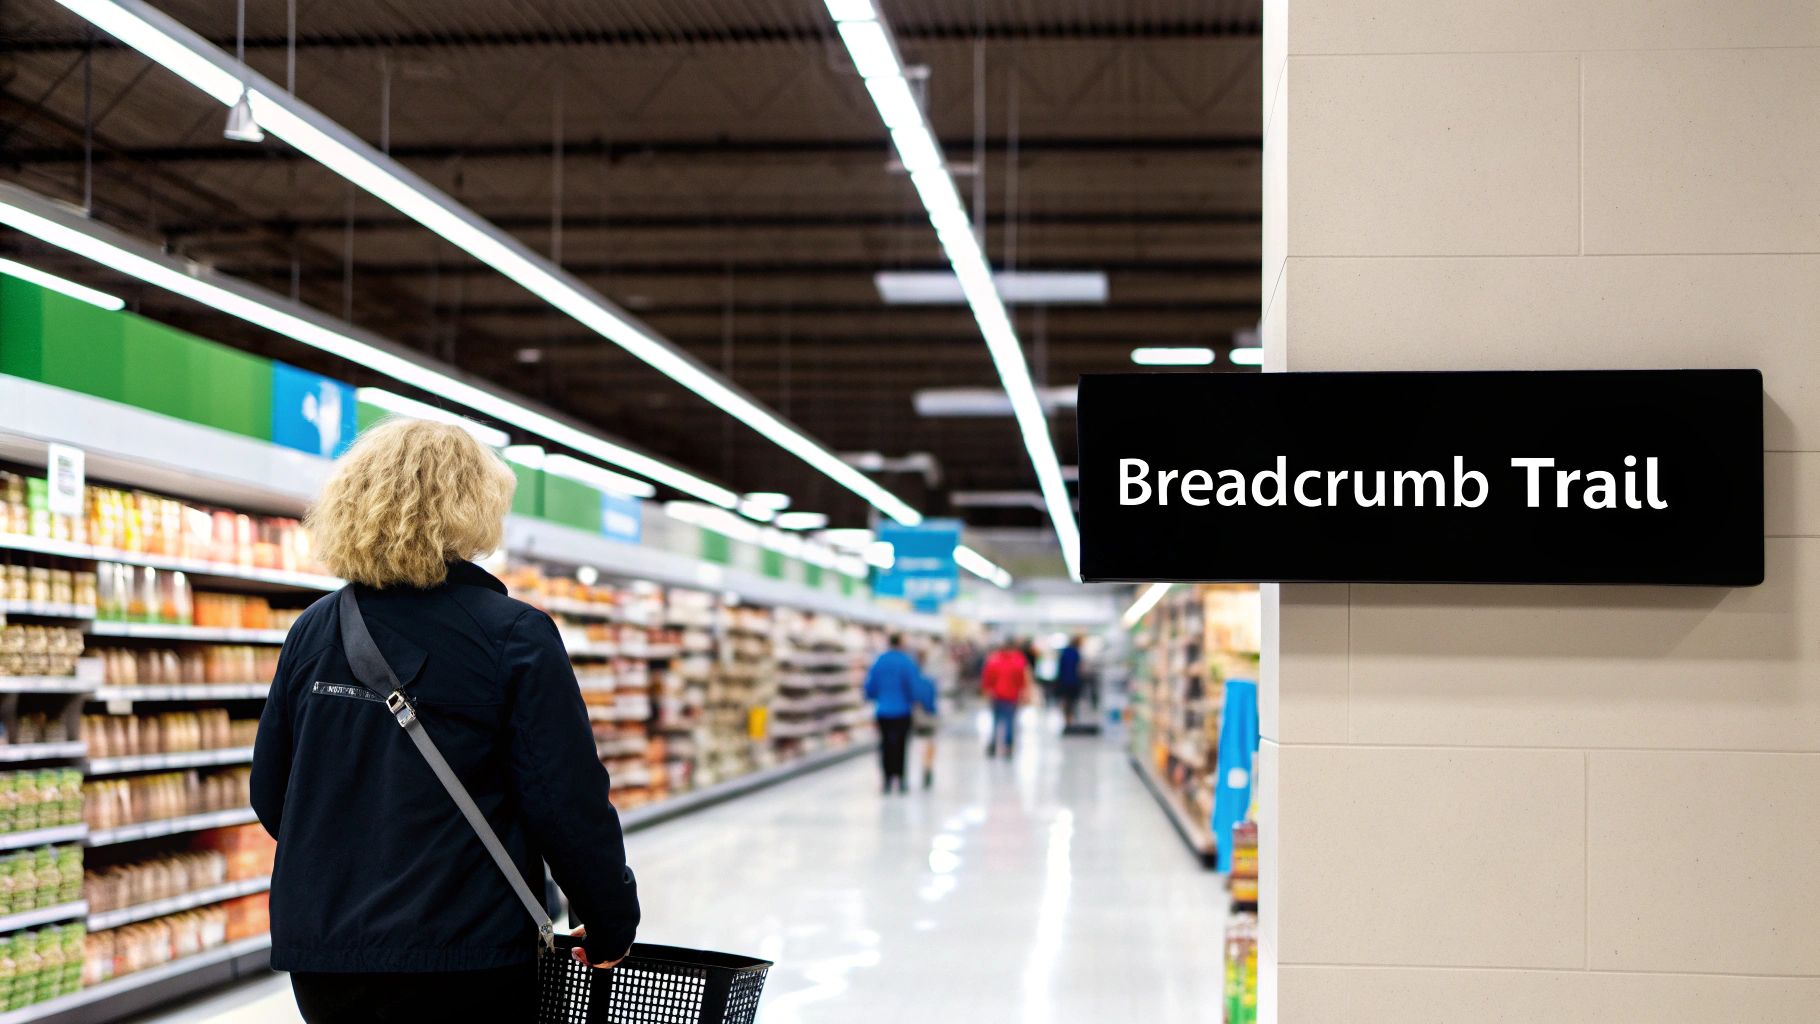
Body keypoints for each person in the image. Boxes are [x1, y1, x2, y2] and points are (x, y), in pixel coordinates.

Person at [250, 419, 640, 1022]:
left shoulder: (316, 629)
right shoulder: (514, 634)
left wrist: (354, 865)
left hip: (329, 957)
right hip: (470, 950)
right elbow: (564, 801)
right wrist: (610, 919)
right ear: (473, 507)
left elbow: (272, 794)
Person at [864, 633, 936, 793]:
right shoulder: (906, 662)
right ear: (901, 644)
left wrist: (878, 696)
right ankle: (901, 779)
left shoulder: (879, 661)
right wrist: (921, 703)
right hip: (902, 711)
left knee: (885, 745)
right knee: (901, 746)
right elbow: (914, 687)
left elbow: (869, 688)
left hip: (882, 711)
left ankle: (886, 780)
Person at [981, 637, 1032, 759]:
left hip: (996, 695)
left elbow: (987, 678)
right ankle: (1008, 746)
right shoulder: (1019, 661)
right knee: (1009, 721)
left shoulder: (994, 660)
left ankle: (993, 745)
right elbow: (1022, 680)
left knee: (995, 721)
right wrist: (1024, 693)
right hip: (1011, 695)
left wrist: (987, 691)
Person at [1056, 634, 1086, 728]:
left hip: (1064, 681)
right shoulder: (1076, 653)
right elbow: (1079, 668)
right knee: (1073, 702)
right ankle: (1072, 719)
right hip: (1073, 681)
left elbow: (1060, 667)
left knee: (1066, 701)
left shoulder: (1064, 652)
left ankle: (1067, 720)